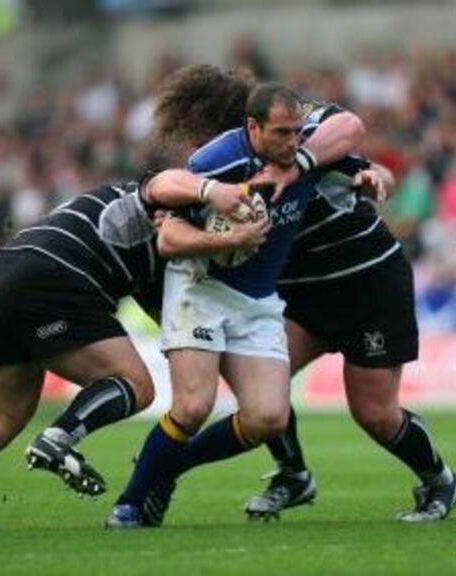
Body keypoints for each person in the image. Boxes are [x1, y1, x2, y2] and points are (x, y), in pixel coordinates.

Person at [150, 64, 456, 524]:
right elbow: (167, 203)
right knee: (260, 390)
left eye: (200, 127)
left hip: (366, 283)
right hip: (301, 297)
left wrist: (364, 176)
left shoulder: (300, 139)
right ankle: (293, 473)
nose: (198, 140)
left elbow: (358, 143)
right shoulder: (223, 169)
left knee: (375, 413)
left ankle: (440, 479)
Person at [0, 168, 269, 532]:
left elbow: (177, 333)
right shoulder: (167, 199)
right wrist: (212, 193)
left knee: (4, 415)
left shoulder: (156, 258)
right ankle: (58, 439)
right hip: (49, 277)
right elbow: (164, 182)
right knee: (136, 385)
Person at [106, 81, 373, 528]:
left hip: (258, 300)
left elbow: (360, 147)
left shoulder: (305, 152)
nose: (292, 143)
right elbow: (169, 238)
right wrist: (227, 235)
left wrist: (371, 179)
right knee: (193, 407)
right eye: (281, 134)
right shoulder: (219, 161)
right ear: (253, 127)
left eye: (297, 132)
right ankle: (129, 505)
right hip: (200, 289)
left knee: (268, 417)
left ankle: (162, 468)